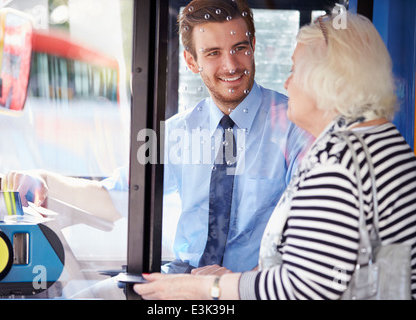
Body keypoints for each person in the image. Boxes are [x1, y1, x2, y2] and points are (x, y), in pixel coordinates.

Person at [2, 0, 311, 274]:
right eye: (213, 53)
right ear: (192, 62)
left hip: (255, 285)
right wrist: (46, 180)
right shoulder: (176, 132)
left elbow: (308, 233)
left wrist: (239, 284)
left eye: (239, 48)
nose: (230, 65)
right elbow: (118, 197)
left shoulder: (296, 124)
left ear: (253, 45)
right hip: (182, 279)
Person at [133, 11, 416, 299]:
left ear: (326, 79)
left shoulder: (339, 162)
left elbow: (304, 286)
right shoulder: (378, 144)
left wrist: (207, 290)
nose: (286, 84)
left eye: (294, 71)